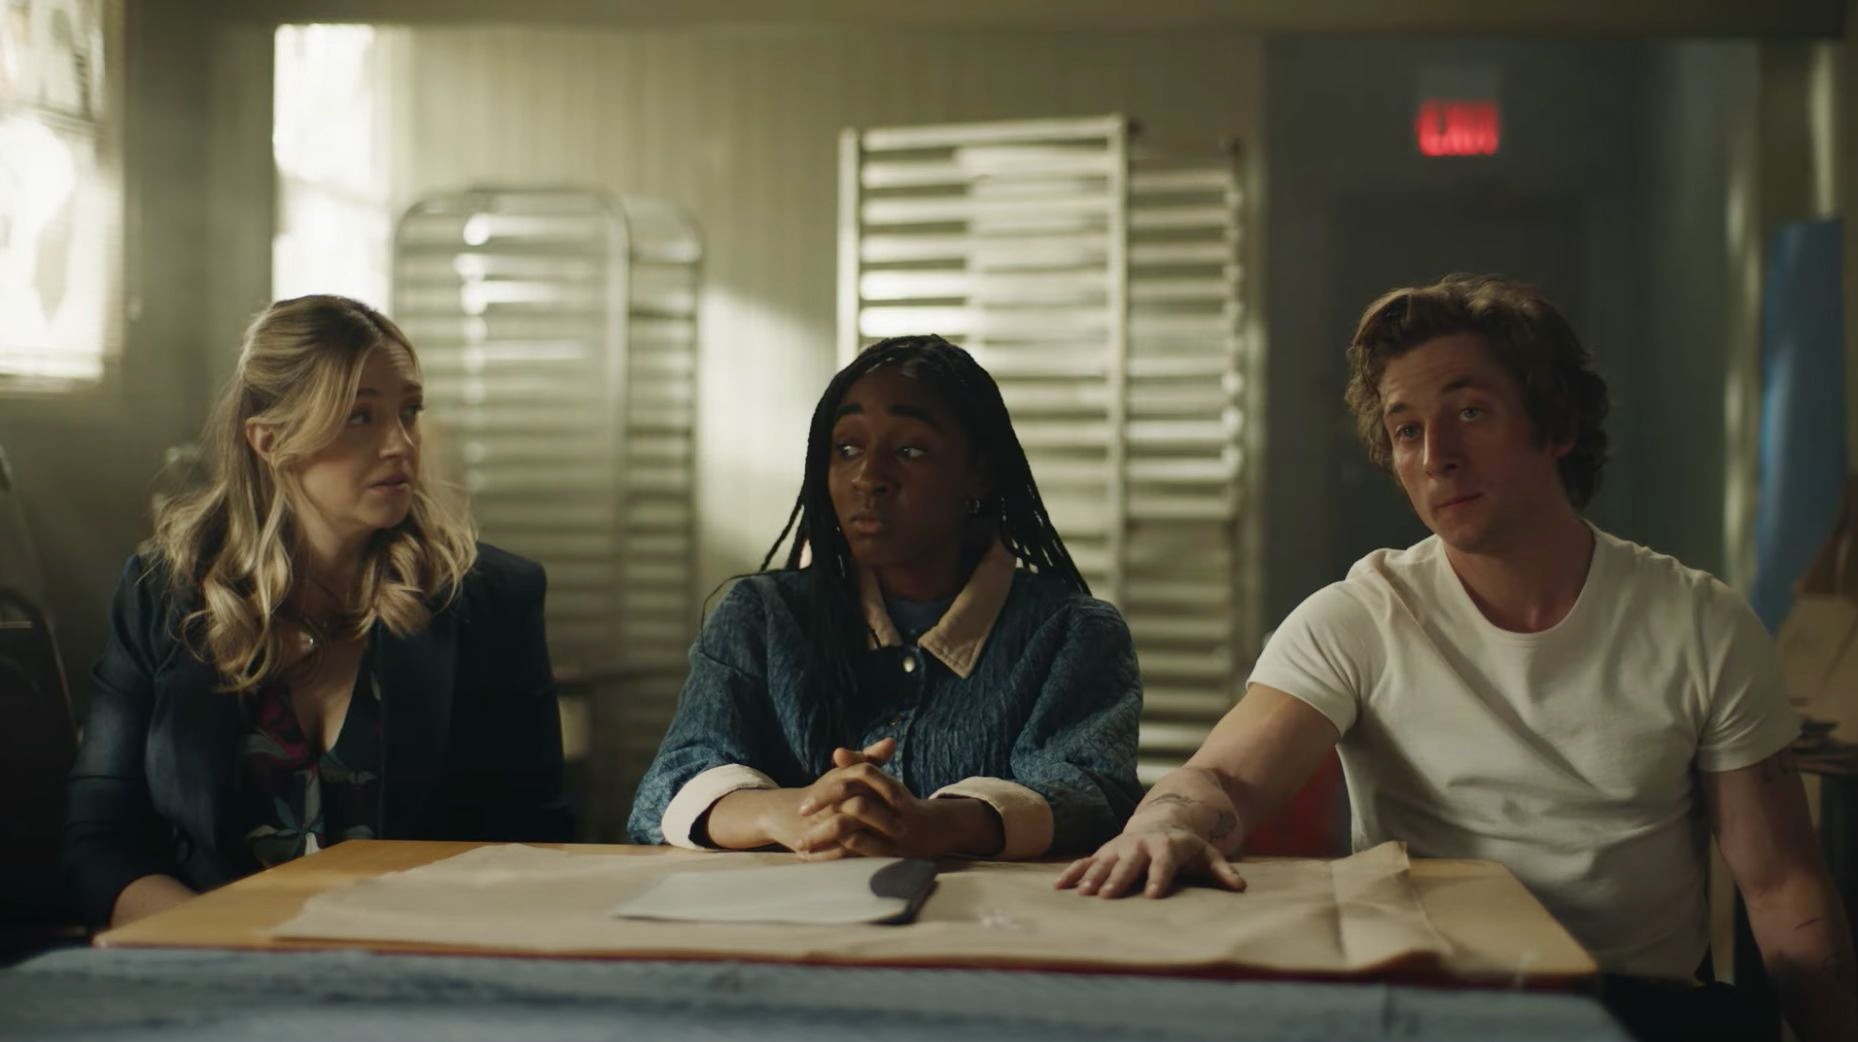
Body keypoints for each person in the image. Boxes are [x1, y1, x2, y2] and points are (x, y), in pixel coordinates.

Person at [1058, 275, 1857, 1041]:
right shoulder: (1360, 617)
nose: (1437, 454)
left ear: (1557, 426)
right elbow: (1224, 779)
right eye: (1407, 429)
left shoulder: (1702, 623)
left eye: (1470, 412)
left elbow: (1782, 887)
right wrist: (1164, 824)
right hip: (1432, 1004)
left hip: (1630, 1008)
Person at [64, 295, 572, 930]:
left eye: (409, 411)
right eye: (360, 416)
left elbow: (534, 841)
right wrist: (221, 943)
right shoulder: (163, 593)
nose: (401, 444)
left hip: (421, 959)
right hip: (207, 960)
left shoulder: (489, 600)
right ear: (270, 440)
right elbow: (101, 843)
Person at [629, 334, 1141, 861]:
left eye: (909, 451)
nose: (868, 477)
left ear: (979, 475)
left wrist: (937, 824)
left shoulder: (1070, 633)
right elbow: (671, 786)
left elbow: (1093, 794)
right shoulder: (760, 618)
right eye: (847, 449)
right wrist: (791, 810)